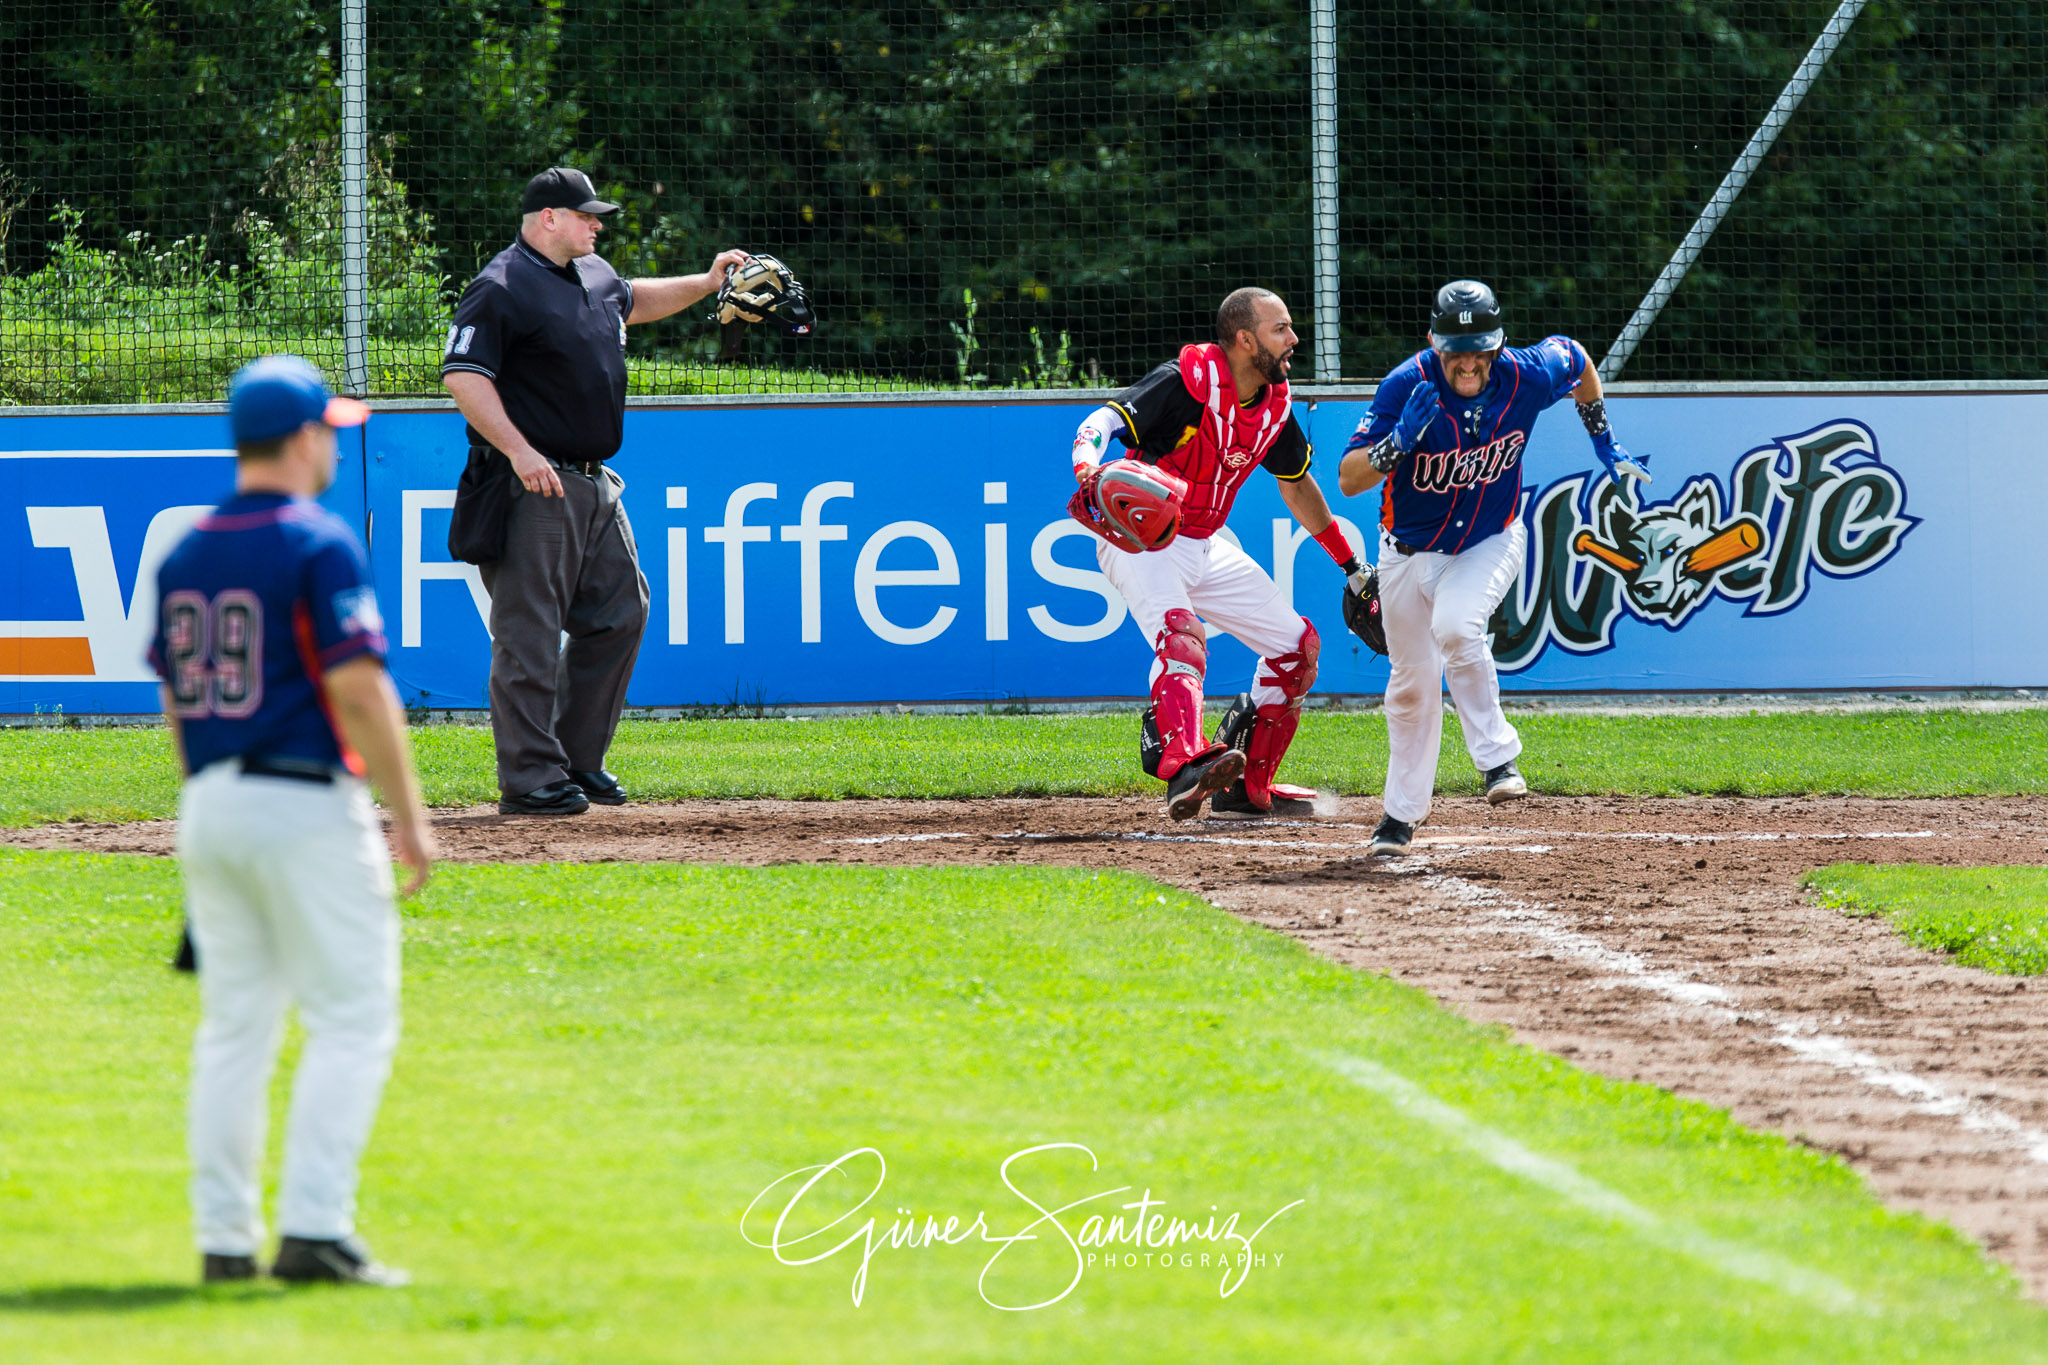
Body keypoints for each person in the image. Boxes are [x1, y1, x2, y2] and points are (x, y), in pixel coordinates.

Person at [153, 355, 437, 1286]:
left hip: (212, 798)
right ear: (304, 434)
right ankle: (314, 1228)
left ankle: (225, 1240)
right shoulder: (315, 540)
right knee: (353, 1016)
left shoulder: (187, 547)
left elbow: (174, 696)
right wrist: (410, 819)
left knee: (235, 1028)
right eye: (330, 429)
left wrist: (209, 804)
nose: (333, 444)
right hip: (302, 801)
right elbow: (360, 688)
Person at [441, 167, 751, 814]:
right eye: (586, 214)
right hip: (534, 480)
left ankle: (576, 761)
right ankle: (530, 779)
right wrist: (520, 450)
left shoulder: (595, 272)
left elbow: (635, 299)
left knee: (621, 611)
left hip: (594, 479)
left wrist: (706, 281)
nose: (597, 223)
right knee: (529, 635)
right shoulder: (499, 286)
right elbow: (463, 375)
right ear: (547, 217)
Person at [1337, 280, 1648, 855]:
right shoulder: (1406, 385)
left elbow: (1577, 360)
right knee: (1409, 689)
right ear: (1434, 342)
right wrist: (1398, 441)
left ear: (1497, 344)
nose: (1468, 360)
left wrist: (1604, 439)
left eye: (1479, 347)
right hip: (1406, 553)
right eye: (1455, 347)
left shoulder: (1525, 373)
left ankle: (1497, 760)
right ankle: (1399, 819)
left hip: (1490, 539)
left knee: (1457, 627)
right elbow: (1350, 476)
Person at [1068, 287, 1369, 821]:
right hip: (1144, 541)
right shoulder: (1188, 381)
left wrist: (1351, 566)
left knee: (1296, 647)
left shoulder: (1275, 404)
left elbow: (1297, 487)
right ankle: (1183, 764)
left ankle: (1245, 788)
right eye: (1281, 330)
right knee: (1182, 636)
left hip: (1203, 543)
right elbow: (1102, 422)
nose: (1294, 339)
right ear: (1245, 339)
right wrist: (1087, 467)